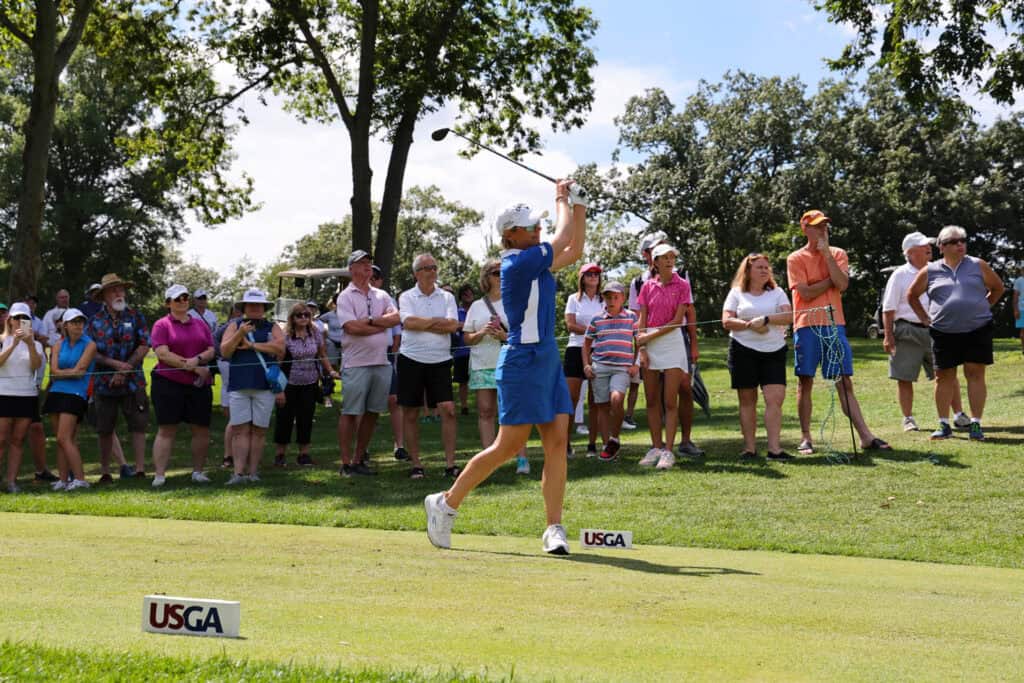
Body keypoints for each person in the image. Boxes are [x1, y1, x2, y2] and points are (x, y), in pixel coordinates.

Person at [424, 180, 586, 554]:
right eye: (530, 226)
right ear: (510, 235)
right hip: (520, 362)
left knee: (557, 444)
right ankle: (446, 504)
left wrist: (581, 205)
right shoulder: (517, 262)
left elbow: (574, 248)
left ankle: (554, 527)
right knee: (508, 447)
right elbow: (563, 238)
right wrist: (563, 198)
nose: (538, 229)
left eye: (537, 225)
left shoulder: (535, 261)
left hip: (546, 359)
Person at [787, 210, 890, 455]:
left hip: (834, 324)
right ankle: (806, 437)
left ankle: (865, 436)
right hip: (806, 324)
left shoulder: (838, 254)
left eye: (824, 226)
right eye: (816, 226)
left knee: (844, 381)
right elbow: (805, 293)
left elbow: (842, 285)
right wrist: (830, 281)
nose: (822, 230)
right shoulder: (795, 258)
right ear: (805, 229)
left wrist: (826, 256)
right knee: (805, 381)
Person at [907, 225, 1005, 441]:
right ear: (941, 247)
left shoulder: (978, 265)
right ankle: (943, 424)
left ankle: (976, 425)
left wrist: (983, 306)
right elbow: (912, 295)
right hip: (943, 331)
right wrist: (924, 318)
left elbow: (998, 288)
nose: (960, 244)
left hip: (978, 329)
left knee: (975, 374)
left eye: (962, 240)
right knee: (944, 377)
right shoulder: (930, 270)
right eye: (953, 241)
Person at [882, 232, 969, 432]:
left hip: (938, 330)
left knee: (948, 374)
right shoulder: (900, 275)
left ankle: (958, 415)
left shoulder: (939, 270)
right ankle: (908, 419)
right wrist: (888, 336)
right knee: (904, 377)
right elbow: (889, 309)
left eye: (929, 245)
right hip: (907, 330)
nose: (928, 248)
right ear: (910, 252)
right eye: (923, 246)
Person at [721, 254, 793, 461]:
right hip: (743, 350)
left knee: (775, 399)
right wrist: (749, 324)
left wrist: (767, 319)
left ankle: (775, 449)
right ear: (748, 272)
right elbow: (726, 321)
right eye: (759, 267)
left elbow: (789, 316)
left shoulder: (777, 293)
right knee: (747, 400)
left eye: (766, 267)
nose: (764, 270)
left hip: (774, 351)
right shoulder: (736, 293)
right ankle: (750, 449)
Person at [335, 250, 400, 476]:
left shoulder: (382, 295)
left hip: (381, 362)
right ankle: (345, 464)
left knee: (373, 412)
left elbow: (395, 318)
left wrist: (371, 321)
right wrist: (381, 325)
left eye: (369, 263)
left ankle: (358, 459)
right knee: (351, 412)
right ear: (351, 269)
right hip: (355, 363)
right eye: (362, 263)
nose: (367, 267)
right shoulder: (345, 297)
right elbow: (351, 327)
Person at [462, 258, 530, 474]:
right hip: (482, 363)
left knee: (512, 411)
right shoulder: (476, 306)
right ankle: (488, 462)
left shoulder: (516, 301)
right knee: (485, 411)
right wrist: (483, 332)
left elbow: (524, 335)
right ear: (486, 277)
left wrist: (503, 335)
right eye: (495, 272)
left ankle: (522, 459)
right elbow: (467, 339)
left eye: (503, 272)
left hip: (509, 362)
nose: (500, 276)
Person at [397, 253, 461, 479]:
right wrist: (437, 321)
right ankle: (416, 464)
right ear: (416, 273)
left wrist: (423, 323)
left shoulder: (446, 297)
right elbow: (408, 322)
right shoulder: (406, 296)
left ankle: (450, 465)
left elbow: (453, 325)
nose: (432, 271)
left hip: (441, 361)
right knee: (411, 413)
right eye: (426, 268)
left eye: (434, 267)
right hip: (411, 359)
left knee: (448, 411)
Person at [149, 285, 216, 487]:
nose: (183, 301)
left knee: (201, 429)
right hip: (169, 384)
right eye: (177, 299)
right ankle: (159, 475)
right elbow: (163, 354)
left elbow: (211, 349)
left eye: (185, 297)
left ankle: (198, 472)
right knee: (167, 429)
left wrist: (198, 359)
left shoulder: (199, 324)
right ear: (168, 303)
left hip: (197, 386)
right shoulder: (162, 325)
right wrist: (194, 367)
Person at [88, 273, 151, 481]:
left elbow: (144, 344)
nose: (118, 293)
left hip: (133, 381)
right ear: (104, 295)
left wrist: (126, 369)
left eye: (121, 289)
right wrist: (115, 366)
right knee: (104, 428)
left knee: (138, 425)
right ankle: (105, 472)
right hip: (104, 383)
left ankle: (140, 470)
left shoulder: (135, 316)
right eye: (113, 290)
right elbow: (91, 352)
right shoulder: (94, 321)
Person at [220, 288, 285, 484]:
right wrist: (240, 333)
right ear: (245, 307)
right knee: (240, 430)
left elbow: (280, 348)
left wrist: (252, 346)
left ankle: (253, 473)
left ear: (264, 307)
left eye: (259, 305)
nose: (255, 308)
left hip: (264, 386)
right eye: (251, 305)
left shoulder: (272, 326)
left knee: (259, 430)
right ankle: (238, 473)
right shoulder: (234, 325)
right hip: (240, 384)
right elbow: (225, 351)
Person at [636, 244, 692, 469]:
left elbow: (678, 320)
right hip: (649, 342)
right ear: (655, 262)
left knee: (670, 401)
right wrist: (641, 346)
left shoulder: (683, 285)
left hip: (671, 342)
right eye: (664, 257)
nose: (669, 261)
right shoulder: (647, 286)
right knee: (651, 399)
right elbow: (642, 318)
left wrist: (649, 337)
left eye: (672, 257)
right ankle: (655, 447)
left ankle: (668, 451)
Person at [273, 301, 334, 467]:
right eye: (299, 315)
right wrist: (278, 389)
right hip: (289, 383)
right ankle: (280, 455)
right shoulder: (285, 337)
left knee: (306, 418)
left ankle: (304, 455)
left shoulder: (315, 334)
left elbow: (322, 355)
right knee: (284, 418)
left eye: (307, 315)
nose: (303, 318)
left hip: (310, 382)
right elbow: (277, 363)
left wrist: (331, 371)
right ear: (292, 318)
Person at [582, 281, 638, 462]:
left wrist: (636, 363)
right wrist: (586, 365)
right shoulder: (597, 319)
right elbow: (586, 344)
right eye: (608, 297)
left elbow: (639, 342)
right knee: (602, 406)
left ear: (623, 298)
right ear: (604, 298)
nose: (612, 301)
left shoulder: (631, 317)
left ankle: (614, 438)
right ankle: (608, 447)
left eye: (616, 297)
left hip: (622, 367)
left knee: (617, 399)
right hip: (600, 366)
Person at [42, 308, 96, 490]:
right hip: (57, 392)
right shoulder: (58, 345)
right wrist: (68, 373)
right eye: (74, 322)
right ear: (65, 325)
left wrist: (63, 373)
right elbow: (53, 373)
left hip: (76, 394)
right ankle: (63, 480)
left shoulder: (90, 345)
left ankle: (80, 479)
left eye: (81, 322)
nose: (78, 325)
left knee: (65, 438)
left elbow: (81, 372)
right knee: (60, 440)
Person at [0, 303, 45, 493]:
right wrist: (14, 344)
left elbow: (35, 366)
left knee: (18, 439)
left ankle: (11, 481)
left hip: (26, 395)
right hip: (3, 394)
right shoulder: (2, 340)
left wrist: (29, 345)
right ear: (9, 320)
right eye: (17, 318)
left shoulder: (36, 344)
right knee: (1, 439)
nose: (20, 322)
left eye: (24, 318)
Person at [626, 232, 668, 431]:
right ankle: (658, 440)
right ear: (646, 254)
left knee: (679, 388)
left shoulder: (681, 275)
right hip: (648, 340)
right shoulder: (638, 282)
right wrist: (640, 348)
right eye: (655, 248)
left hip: (675, 338)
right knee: (654, 391)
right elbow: (636, 318)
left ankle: (682, 441)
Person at [564, 262, 605, 457]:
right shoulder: (573, 299)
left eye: (596, 274)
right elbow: (570, 325)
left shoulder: (604, 300)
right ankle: (565, 443)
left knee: (595, 399)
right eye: (589, 274)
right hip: (575, 349)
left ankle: (592, 446)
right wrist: (593, 331)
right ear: (582, 277)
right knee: (570, 399)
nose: (593, 276)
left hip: (598, 350)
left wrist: (593, 334)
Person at [371, 265, 407, 461]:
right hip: (364, 355)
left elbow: (396, 333)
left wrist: (393, 355)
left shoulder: (387, 298)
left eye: (375, 277)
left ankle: (399, 446)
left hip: (386, 355)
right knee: (367, 404)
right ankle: (363, 449)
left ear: (380, 280)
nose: (372, 280)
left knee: (394, 400)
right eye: (369, 277)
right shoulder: (353, 297)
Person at [213, 303, 244, 468]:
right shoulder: (226, 327)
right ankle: (228, 456)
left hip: (245, 370)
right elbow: (213, 340)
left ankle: (237, 456)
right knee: (234, 418)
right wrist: (226, 355)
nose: (239, 314)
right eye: (237, 311)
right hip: (230, 368)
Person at [452, 284, 474, 416]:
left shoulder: (477, 309)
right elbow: (455, 325)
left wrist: (463, 326)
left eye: (470, 293)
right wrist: (471, 326)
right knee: (462, 381)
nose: (468, 296)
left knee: (479, 379)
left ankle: (484, 405)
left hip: (477, 351)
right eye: (465, 294)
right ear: (461, 297)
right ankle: (464, 406)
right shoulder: (457, 312)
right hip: (461, 351)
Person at [319, 293, 344, 370]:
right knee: (331, 365)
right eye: (337, 301)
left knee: (345, 368)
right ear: (335, 302)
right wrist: (324, 333)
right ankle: (328, 380)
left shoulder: (350, 314)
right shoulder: (329, 315)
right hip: (332, 343)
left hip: (346, 345)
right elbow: (317, 322)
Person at [1013, 267, 1024, 357]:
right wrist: (1016, 310)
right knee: (1023, 331)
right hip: (1022, 308)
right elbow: (1015, 296)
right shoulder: (1019, 281)